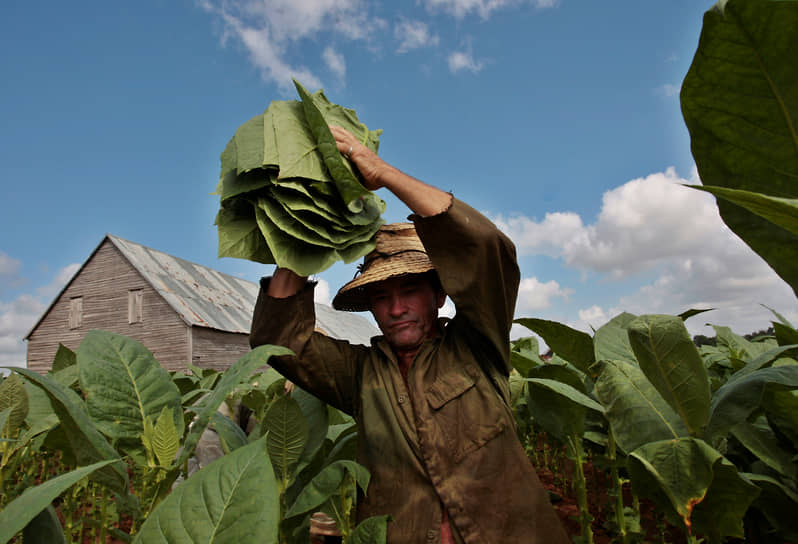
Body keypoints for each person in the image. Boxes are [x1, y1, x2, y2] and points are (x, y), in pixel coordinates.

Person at [250, 126, 569, 543]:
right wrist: (309, 228)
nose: (396, 308)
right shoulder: (360, 376)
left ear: (439, 295)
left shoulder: (478, 346)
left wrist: (382, 174)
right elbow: (281, 340)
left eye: (410, 290)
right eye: (381, 296)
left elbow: (485, 246)